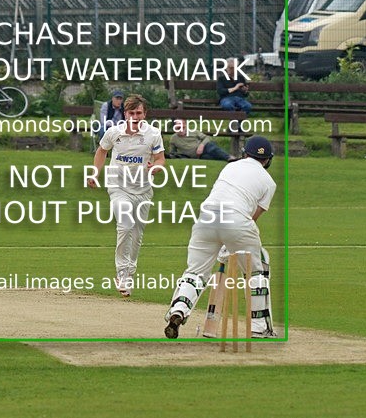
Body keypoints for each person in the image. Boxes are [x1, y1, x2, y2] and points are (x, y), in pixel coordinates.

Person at [164, 135, 277, 339]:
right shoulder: (268, 182)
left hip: (206, 218)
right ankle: (259, 327)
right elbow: (253, 217)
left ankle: (178, 309)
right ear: (268, 159)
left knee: (196, 272)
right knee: (256, 271)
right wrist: (231, 243)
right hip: (237, 222)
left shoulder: (230, 167)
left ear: (245, 153)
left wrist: (226, 242)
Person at [87, 94, 165, 297]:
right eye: (132, 113)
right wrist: (95, 172)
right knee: (125, 226)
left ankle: (130, 271)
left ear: (145, 114)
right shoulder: (114, 132)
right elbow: (101, 151)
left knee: (137, 235)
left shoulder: (153, 134)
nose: (136, 117)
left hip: (143, 189)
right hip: (118, 187)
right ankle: (122, 274)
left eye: (139, 113)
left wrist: (156, 168)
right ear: (125, 114)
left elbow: (160, 159)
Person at [166, 118, 233, 162]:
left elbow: (207, 138)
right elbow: (172, 152)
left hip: (202, 150)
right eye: (178, 127)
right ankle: (227, 160)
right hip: (193, 157)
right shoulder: (173, 138)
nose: (181, 129)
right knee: (208, 158)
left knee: (211, 146)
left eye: (182, 126)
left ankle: (229, 158)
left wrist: (202, 145)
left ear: (185, 125)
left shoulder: (194, 132)